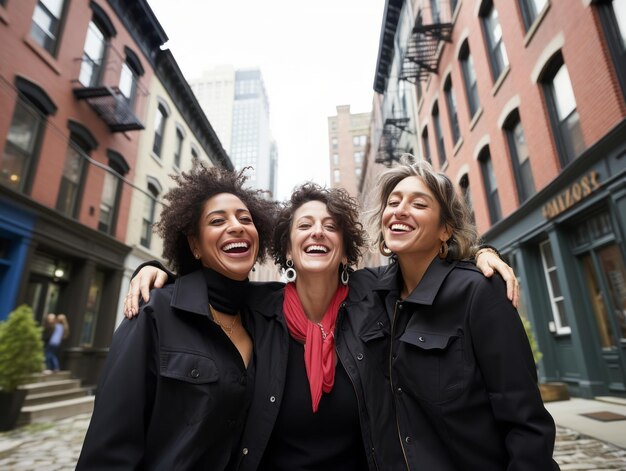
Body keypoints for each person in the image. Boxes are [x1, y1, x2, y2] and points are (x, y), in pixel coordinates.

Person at [124, 182, 519, 469]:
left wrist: (481, 253)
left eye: (330, 226)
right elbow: (211, 287)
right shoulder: (258, 308)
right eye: (304, 226)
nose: (318, 232)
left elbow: (428, 266)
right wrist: (155, 271)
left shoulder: (377, 296)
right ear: (287, 248)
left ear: (345, 248)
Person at [76, 162, 276, 470]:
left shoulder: (266, 320)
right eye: (217, 220)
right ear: (195, 245)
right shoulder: (153, 312)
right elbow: (109, 449)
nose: (236, 226)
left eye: (245, 218)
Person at [366, 156, 559, 469]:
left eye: (418, 204)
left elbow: (526, 425)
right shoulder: (371, 294)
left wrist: (485, 252)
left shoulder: (479, 291)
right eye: (393, 202)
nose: (399, 210)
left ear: (445, 230)